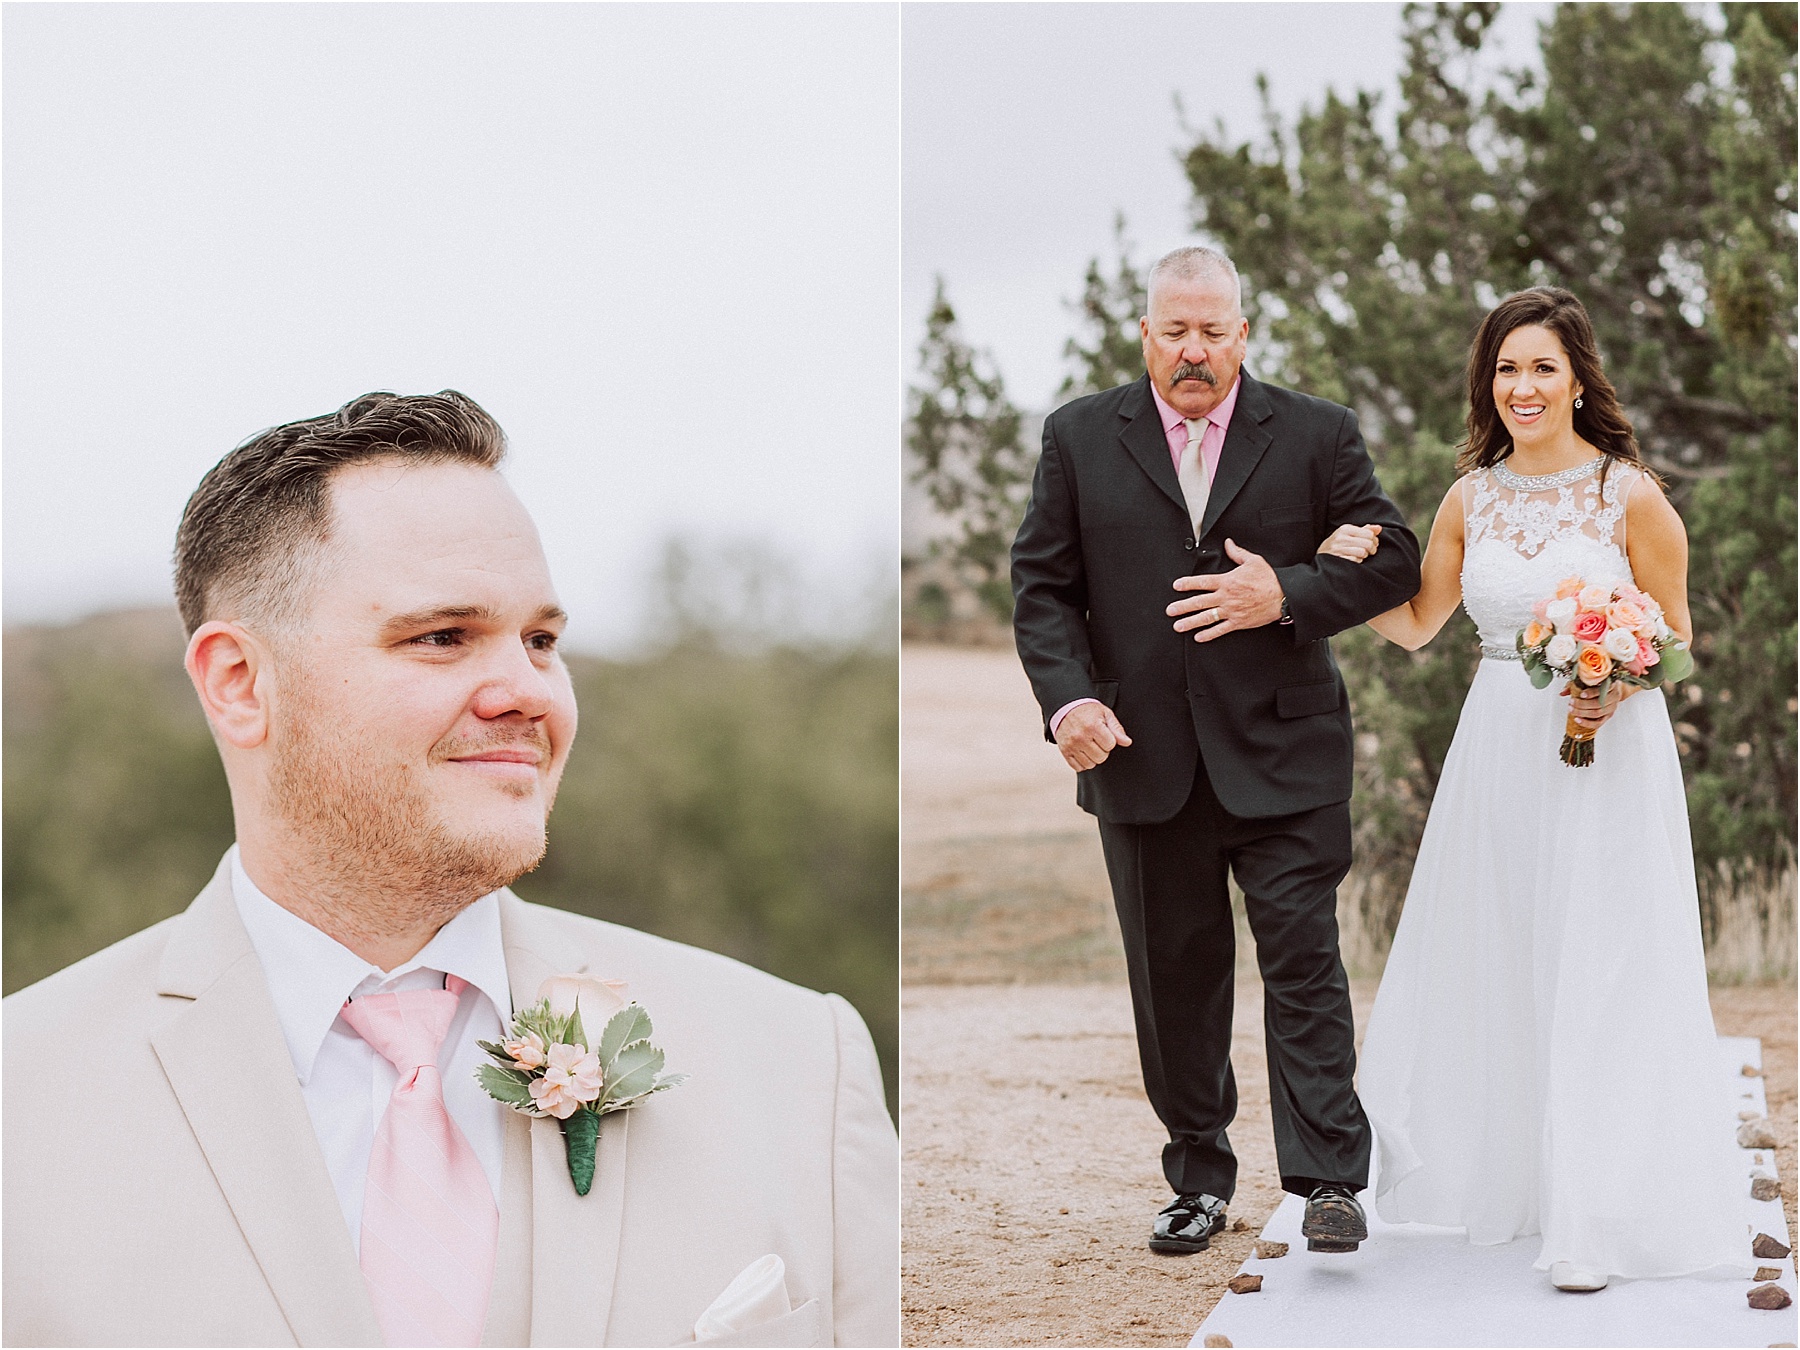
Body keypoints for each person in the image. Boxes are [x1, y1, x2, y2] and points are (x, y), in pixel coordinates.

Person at [2, 392, 899, 1348]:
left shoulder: (802, 1065)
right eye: (443, 637)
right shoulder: (25, 1104)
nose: (528, 691)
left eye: (541, 640)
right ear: (240, 683)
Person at [1321, 287, 1752, 1291]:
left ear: (1577, 378)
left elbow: (1679, 640)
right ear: (1490, 383)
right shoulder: (1470, 497)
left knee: (1599, 965)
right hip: (1497, 748)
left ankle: (1590, 1220)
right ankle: (1517, 1183)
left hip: (1609, 754)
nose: (1522, 386)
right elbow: (1418, 621)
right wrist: (1330, 573)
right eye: (1506, 369)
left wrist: (1620, 679)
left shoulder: (1628, 495)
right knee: (1508, 956)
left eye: (1541, 367)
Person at [1010, 246, 1423, 1257]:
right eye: (1174, 331)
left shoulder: (1318, 435)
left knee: (1303, 962)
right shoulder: (1075, 438)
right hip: (1141, 761)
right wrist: (1069, 706)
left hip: (1286, 759)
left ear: (1245, 333)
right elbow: (1043, 589)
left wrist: (1285, 592)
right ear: (1145, 334)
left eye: (1213, 330)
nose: (1193, 350)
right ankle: (1197, 1177)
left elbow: (1396, 556)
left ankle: (1329, 1180)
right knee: (1176, 977)